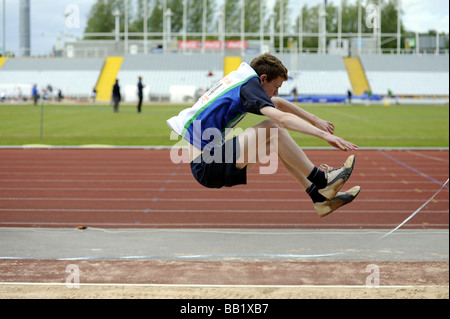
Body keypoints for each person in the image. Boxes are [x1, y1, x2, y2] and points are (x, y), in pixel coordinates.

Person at [167, 53, 361, 218]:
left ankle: (318, 198)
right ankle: (323, 180)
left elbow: (278, 102)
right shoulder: (248, 86)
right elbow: (282, 118)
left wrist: (314, 119)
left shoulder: (243, 81)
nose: (276, 92)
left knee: (276, 143)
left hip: (209, 163)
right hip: (207, 164)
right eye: (275, 86)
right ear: (263, 79)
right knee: (273, 127)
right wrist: (324, 136)